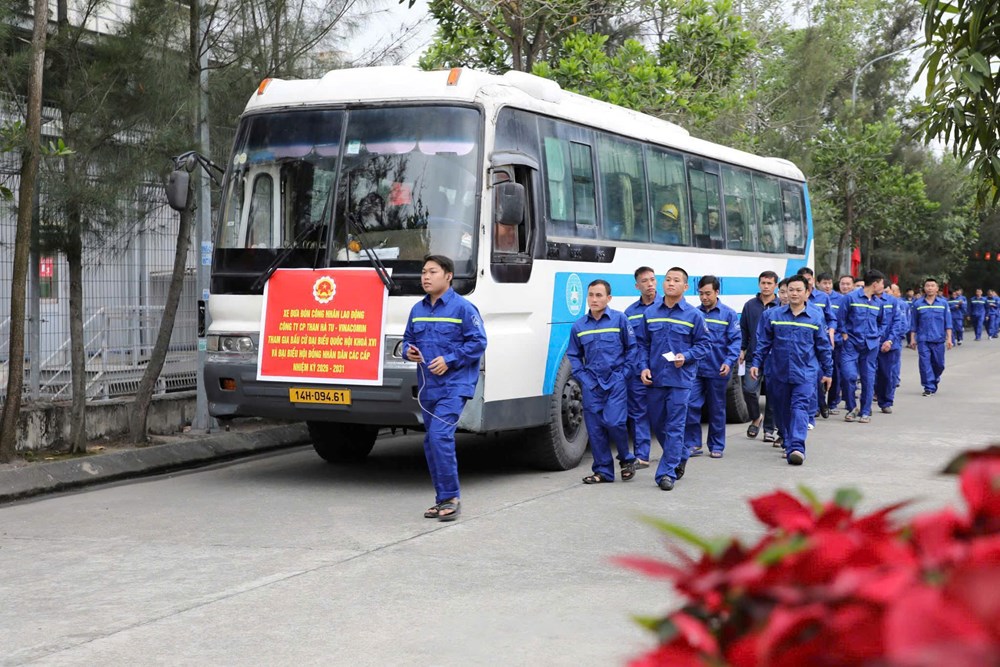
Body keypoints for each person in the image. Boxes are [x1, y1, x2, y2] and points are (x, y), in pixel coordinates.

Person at [404, 255, 488, 522]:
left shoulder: (463, 308)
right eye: (423, 272)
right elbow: (407, 340)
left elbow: (478, 343)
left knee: (440, 436)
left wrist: (449, 360)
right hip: (429, 388)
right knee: (431, 442)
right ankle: (442, 500)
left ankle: (451, 497)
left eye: (432, 272)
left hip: (455, 385)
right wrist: (410, 352)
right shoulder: (417, 310)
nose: (425, 277)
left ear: (448, 276)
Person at [636, 267, 711, 491]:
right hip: (656, 378)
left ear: (685, 287)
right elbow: (641, 344)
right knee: (658, 423)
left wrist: (686, 356)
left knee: (676, 425)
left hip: (681, 379)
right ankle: (680, 453)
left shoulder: (694, 315)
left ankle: (666, 473)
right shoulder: (650, 313)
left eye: (676, 280)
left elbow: (705, 344)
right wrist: (643, 367)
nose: (670, 283)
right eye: (667, 279)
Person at [750, 275, 833, 466]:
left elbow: (823, 346)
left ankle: (797, 447)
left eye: (798, 290)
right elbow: (763, 343)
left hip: (805, 373)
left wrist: (828, 372)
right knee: (781, 410)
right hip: (778, 372)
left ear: (807, 293)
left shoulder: (815, 316)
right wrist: (756, 363)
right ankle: (787, 441)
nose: (794, 294)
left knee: (799, 408)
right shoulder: (774, 316)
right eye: (790, 290)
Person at [568, 280, 639, 484]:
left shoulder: (620, 320)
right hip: (592, 383)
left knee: (614, 422)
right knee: (595, 429)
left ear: (608, 298)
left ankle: (626, 459)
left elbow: (632, 349)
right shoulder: (579, 326)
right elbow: (573, 355)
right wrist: (582, 376)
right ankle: (603, 471)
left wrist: (624, 374)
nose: (594, 299)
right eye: (591, 295)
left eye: (599, 295)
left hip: (615, 381)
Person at [686, 275, 741, 459]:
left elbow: (735, 342)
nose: (704, 297)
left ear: (717, 292)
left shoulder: (728, 314)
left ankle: (717, 445)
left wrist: (728, 361)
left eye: (708, 293)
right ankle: (693, 444)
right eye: (701, 294)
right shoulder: (694, 313)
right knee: (692, 405)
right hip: (696, 370)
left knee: (717, 408)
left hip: (718, 368)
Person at [838, 269, 887, 424]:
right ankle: (851, 408)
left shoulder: (878, 303)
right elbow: (841, 318)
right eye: (881, 283)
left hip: (870, 345)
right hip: (851, 343)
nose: (883, 287)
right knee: (849, 376)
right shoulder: (850, 298)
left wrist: (878, 335)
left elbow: (882, 322)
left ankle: (865, 411)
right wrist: (845, 335)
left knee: (868, 378)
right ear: (875, 283)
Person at [739, 271, 780, 443]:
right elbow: (743, 329)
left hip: (773, 358)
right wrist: (742, 349)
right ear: (759, 284)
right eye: (763, 283)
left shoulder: (780, 307)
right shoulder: (750, 305)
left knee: (771, 395)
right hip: (753, 356)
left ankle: (769, 430)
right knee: (748, 389)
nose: (766, 286)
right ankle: (756, 417)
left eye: (770, 283)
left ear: (776, 285)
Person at [625, 267, 658, 468]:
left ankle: (676, 453)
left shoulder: (667, 306)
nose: (650, 284)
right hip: (638, 370)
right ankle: (642, 455)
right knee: (638, 413)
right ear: (637, 286)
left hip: (663, 370)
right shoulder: (630, 313)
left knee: (665, 414)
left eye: (653, 280)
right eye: (645, 281)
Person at [798, 267, 836, 424]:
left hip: (819, 342)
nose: (807, 282)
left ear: (813, 280)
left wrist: (831, 333)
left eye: (809, 279)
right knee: (810, 378)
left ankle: (820, 405)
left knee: (819, 376)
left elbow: (831, 318)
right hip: (802, 344)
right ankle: (814, 409)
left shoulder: (822, 297)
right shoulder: (795, 298)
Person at [909, 278, 952, 396]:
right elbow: (914, 323)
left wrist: (949, 339)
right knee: (924, 363)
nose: (930, 288)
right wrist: (912, 338)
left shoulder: (943, 303)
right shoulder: (917, 304)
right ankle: (928, 387)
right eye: (928, 286)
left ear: (937, 288)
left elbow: (948, 323)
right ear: (924, 288)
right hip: (923, 339)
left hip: (938, 339)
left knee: (939, 364)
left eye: (932, 286)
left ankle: (934, 378)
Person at [875, 282, 907, 413]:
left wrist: (890, 340)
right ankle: (868, 401)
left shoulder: (894, 302)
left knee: (887, 375)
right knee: (869, 375)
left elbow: (899, 323)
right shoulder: (868, 301)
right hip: (871, 343)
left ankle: (886, 401)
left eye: (888, 291)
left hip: (890, 344)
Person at [821, 273, 846, 414]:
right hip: (819, 341)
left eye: (829, 283)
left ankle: (833, 402)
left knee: (835, 372)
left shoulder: (841, 299)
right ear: (818, 283)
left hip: (835, 342)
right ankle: (820, 403)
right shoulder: (815, 298)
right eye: (824, 283)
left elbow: (841, 320)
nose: (827, 286)